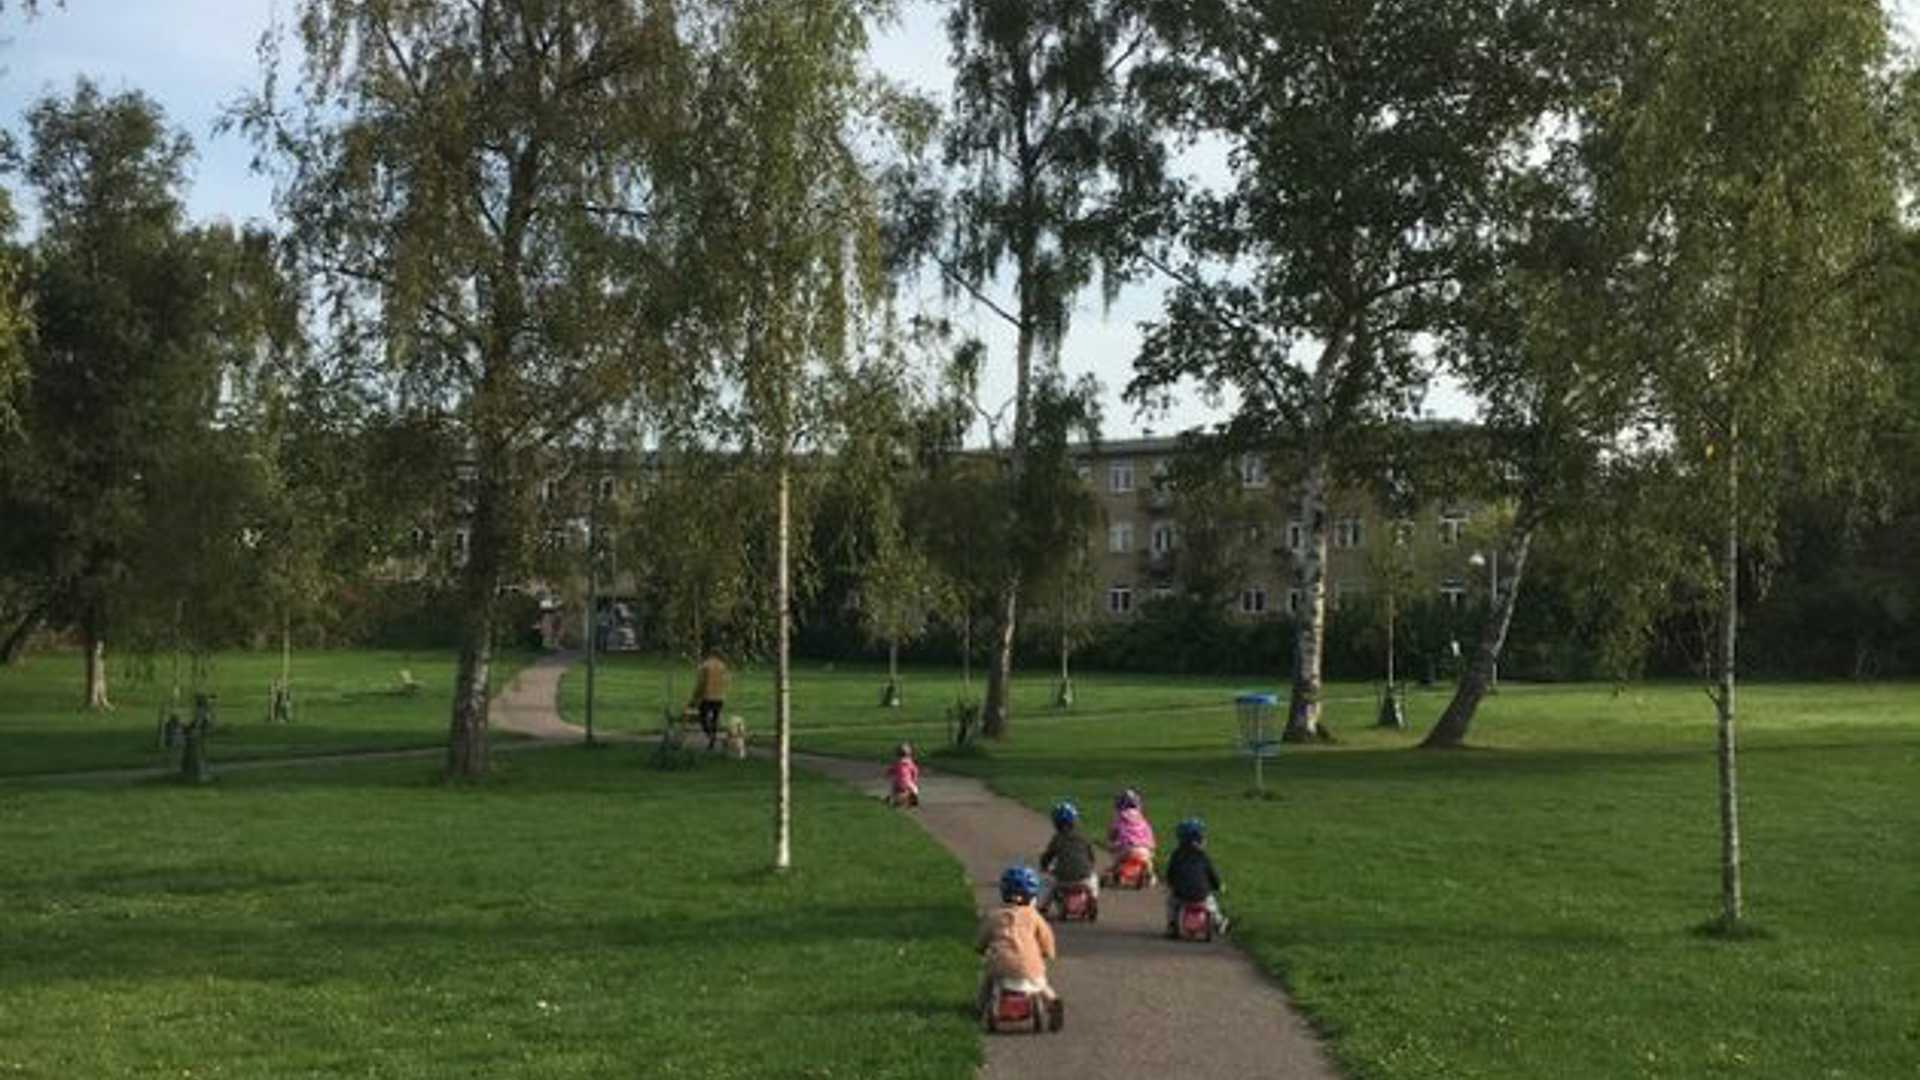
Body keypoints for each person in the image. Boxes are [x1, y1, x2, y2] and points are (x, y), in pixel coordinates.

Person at [975, 865, 1064, 1031]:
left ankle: (979, 1009)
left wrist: (980, 949)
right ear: (1032, 896)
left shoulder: (994, 916)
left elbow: (982, 938)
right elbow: (1046, 937)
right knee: (1041, 983)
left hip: (1001, 966)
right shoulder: (1034, 916)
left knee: (987, 980)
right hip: (1030, 967)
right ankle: (1052, 1001)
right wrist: (1048, 952)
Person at [1164, 817, 1229, 937]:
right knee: (1212, 905)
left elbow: (1171, 873)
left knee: (1171, 903)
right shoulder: (1203, 857)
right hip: (1201, 894)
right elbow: (1211, 874)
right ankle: (1218, 922)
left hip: (1181, 895)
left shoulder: (1176, 855)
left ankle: (1172, 924)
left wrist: (1170, 883)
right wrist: (1219, 886)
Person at [1037, 800, 1098, 913]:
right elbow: (1091, 856)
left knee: (1047, 882)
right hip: (1084, 878)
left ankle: (1043, 905)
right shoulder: (1084, 837)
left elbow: (1048, 856)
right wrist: (1090, 866)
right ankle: (1093, 896)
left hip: (1063, 879)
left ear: (1056, 823)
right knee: (1093, 878)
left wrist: (1044, 867)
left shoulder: (1057, 839)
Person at [1106, 788, 1157, 885]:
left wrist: (1112, 840)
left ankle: (1116, 872)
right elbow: (1150, 835)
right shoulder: (1142, 819)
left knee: (1117, 859)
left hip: (1127, 848)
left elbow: (1112, 833)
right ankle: (1150, 875)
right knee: (1148, 861)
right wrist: (1151, 848)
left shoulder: (1119, 818)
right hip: (1144, 850)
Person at [688, 650, 729, 751]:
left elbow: (701, 683)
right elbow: (726, 680)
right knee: (715, 718)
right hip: (719, 697)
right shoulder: (722, 666)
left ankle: (709, 734)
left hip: (707, 696)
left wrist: (695, 697)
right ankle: (712, 739)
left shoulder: (705, 666)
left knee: (702, 716)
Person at [885, 742, 920, 807]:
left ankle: (890, 797)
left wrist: (887, 774)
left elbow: (891, 770)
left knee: (893, 790)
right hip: (907, 782)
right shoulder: (910, 763)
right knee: (915, 789)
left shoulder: (897, 763)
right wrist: (914, 779)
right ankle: (914, 798)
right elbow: (915, 771)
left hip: (897, 782)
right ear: (909, 754)